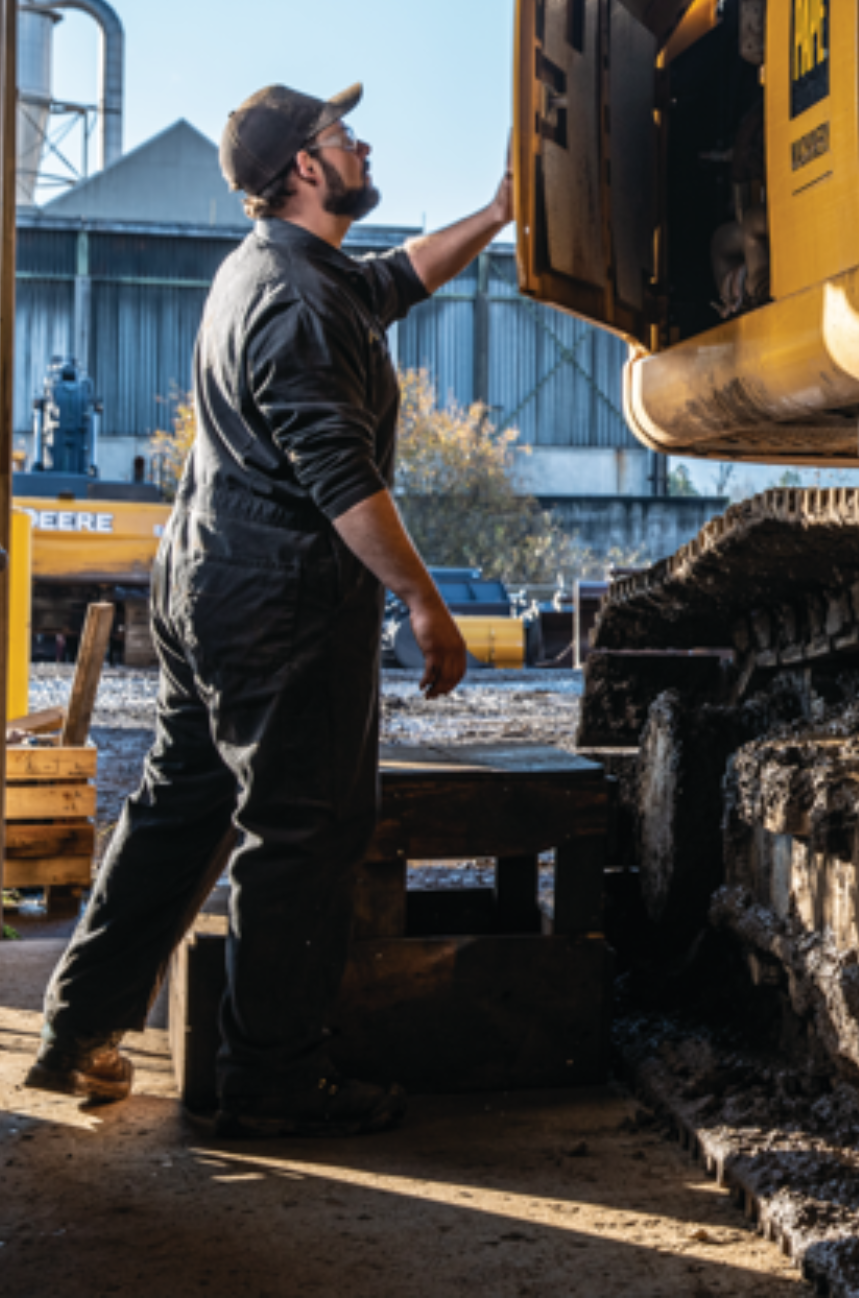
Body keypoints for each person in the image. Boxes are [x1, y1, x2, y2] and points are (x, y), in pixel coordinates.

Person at [25, 82, 511, 1138]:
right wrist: (424, 602)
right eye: (345, 137)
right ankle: (273, 1081)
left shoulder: (278, 269)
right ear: (304, 167)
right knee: (305, 829)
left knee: (179, 808)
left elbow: (393, 279)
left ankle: (76, 1031)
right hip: (275, 601)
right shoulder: (296, 300)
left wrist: (496, 212)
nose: (363, 146)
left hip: (206, 582)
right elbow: (340, 475)